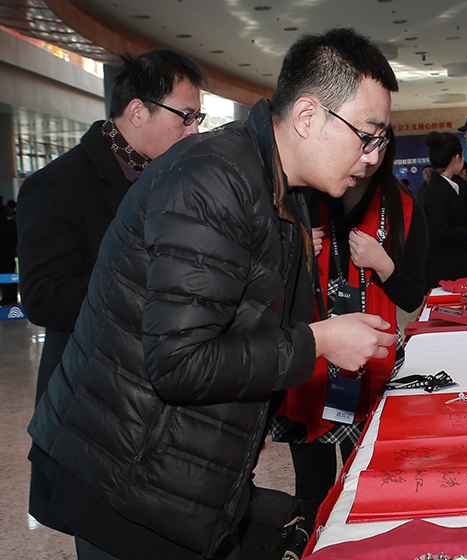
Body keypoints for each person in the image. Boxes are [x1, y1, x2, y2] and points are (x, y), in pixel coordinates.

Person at [27, 28, 400, 560]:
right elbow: (179, 364)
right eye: (367, 135)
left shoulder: (277, 185)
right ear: (307, 116)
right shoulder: (213, 180)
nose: (373, 157)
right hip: (124, 478)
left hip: (176, 472)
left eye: (381, 141)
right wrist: (319, 341)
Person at [18, 50, 206, 404]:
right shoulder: (59, 184)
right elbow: (45, 298)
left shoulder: (172, 178)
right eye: (185, 116)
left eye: (197, 117)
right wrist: (159, 294)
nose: (194, 129)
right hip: (87, 395)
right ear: (137, 112)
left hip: (160, 393)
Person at [272, 128, 429, 535]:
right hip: (309, 363)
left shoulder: (403, 206)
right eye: (360, 143)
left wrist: (383, 263)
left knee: (368, 480)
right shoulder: (300, 197)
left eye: (378, 145)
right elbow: (262, 284)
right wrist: (295, 253)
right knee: (312, 491)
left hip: (370, 361)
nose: (367, 157)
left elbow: (413, 295)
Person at [420, 131, 467, 287]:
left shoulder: (448, 186)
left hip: (455, 269)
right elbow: (439, 232)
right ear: (457, 158)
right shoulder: (437, 190)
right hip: (447, 273)